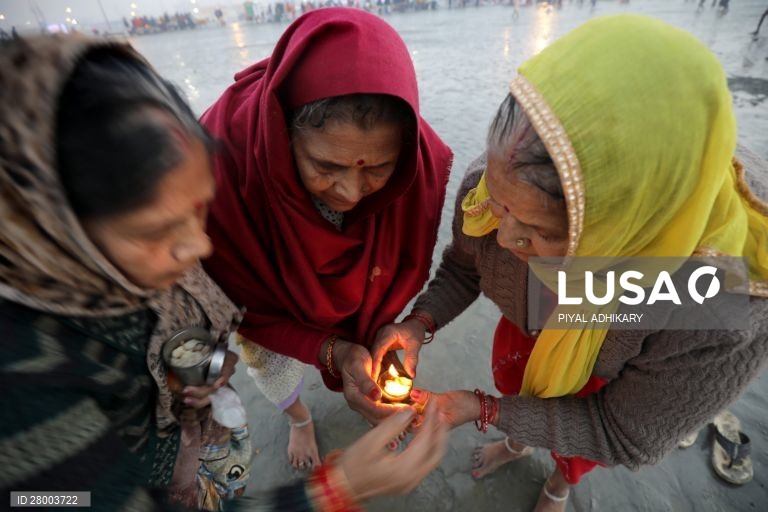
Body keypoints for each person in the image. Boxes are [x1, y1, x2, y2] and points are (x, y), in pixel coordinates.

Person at [0, 34, 448, 511]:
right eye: (157, 231)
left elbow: (186, 330)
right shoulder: (22, 392)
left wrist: (199, 375)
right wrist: (334, 489)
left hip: (200, 434)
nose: (202, 246)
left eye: (199, 209)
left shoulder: (136, 270)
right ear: (46, 227)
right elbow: (71, 501)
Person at [373, 15, 768, 512]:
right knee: (523, 388)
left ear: (630, 232)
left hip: (612, 376)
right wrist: (418, 324)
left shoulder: (711, 297)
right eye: (498, 204)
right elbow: (465, 267)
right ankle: (517, 441)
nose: (506, 237)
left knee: (572, 450)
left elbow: (619, 431)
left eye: (543, 233)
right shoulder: (500, 181)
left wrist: (482, 409)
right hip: (533, 329)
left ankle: (558, 485)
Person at [201, 7, 452, 470]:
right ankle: (299, 419)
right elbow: (240, 304)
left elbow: (464, 267)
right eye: (325, 168)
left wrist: (408, 329)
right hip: (269, 296)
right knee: (272, 365)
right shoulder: (223, 166)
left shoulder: (416, 163)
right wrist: (341, 491)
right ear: (283, 134)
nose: (351, 194)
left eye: (378, 169)